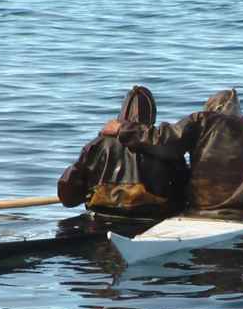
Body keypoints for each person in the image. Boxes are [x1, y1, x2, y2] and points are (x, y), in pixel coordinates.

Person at [101, 88, 243, 220]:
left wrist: (122, 128)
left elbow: (164, 139)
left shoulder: (204, 120)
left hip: (205, 212)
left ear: (211, 108)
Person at [57, 85, 188, 220]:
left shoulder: (97, 145)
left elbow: (68, 198)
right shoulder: (166, 147)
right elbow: (184, 195)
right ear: (152, 116)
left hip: (101, 217)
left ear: (121, 113)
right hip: (151, 220)